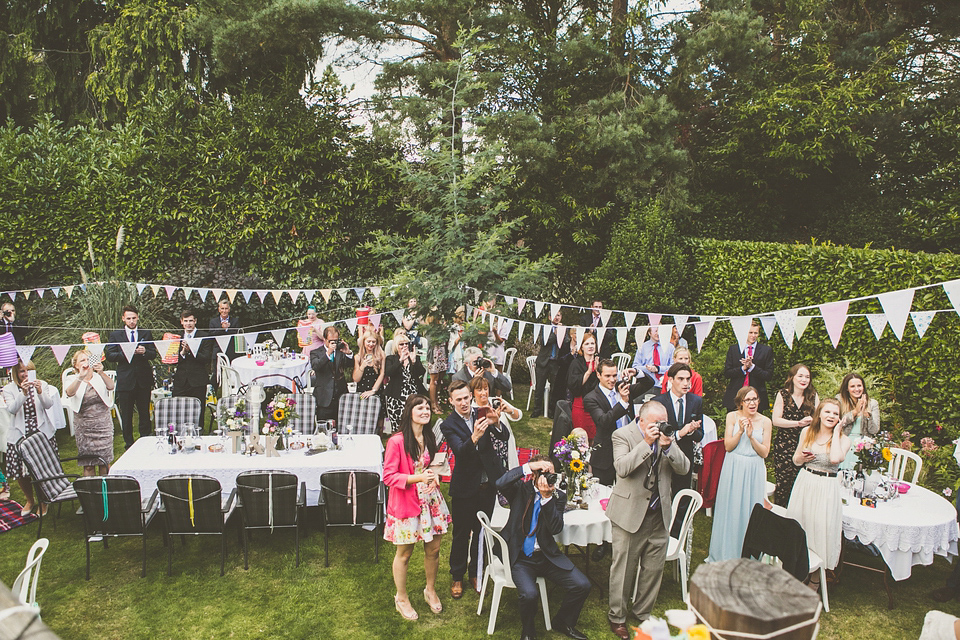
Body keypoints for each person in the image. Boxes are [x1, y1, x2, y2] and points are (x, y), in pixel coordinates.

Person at [607, 401, 689, 639]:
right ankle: (617, 617)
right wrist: (647, 443)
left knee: (653, 569)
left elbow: (683, 469)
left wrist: (668, 448)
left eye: (662, 423)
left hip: (658, 513)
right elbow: (622, 468)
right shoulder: (621, 435)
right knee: (623, 569)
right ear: (640, 421)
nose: (660, 427)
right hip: (629, 513)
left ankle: (642, 613)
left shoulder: (668, 438)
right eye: (655, 424)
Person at [497, 455, 591, 640]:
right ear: (534, 474)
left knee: (582, 585)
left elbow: (556, 528)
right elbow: (500, 483)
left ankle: (563, 621)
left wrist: (547, 499)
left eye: (551, 473)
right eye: (544, 473)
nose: (548, 478)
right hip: (521, 557)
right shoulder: (520, 490)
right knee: (529, 595)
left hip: (547, 556)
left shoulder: (558, 496)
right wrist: (528, 466)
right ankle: (528, 631)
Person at [383, 395, 451, 620]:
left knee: (433, 549)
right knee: (405, 553)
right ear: (409, 412)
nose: (425, 410)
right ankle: (401, 598)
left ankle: (430, 590)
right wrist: (419, 477)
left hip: (431, 502)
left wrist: (434, 476)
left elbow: (431, 465)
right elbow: (389, 476)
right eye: (419, 407)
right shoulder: (397, 441)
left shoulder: (429, 436)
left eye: (427, 407)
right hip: (407, 503)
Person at [439, 379, 495, 599]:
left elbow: (501, 437)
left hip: (486, 485)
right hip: (464, 487)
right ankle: (457, 576)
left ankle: (476, 572)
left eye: (466, 397)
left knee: (481, 532)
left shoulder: (481, 413)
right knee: (462, 534)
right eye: (458, 399)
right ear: (451, 401)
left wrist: (496, 423)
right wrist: (475, 436)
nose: (464, 402)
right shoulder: (448, 424)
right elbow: (461, 452)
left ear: (470, 396)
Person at [787, 398, 850, 579]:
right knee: (800, 525)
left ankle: (815, 580)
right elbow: (795, 460)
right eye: (827, 412)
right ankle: (796, 572)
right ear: (819, 414)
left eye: (835, 414)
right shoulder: (807, 432)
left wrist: (837, 432)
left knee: (820, 530)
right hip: (805, 482)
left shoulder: (844, 440)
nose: (831, 416)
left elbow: (836, 459)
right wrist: (803, 458)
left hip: (826, 488)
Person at [707, 386, 772, 563]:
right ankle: (725, 553)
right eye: (748, 400)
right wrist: (741, 431)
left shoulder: (766, 421)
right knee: (731, 508)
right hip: (734, 466)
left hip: (754, 468)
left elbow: (765, 453)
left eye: (755, 399)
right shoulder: (732, 417)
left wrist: (751, 437)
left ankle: (749, 555)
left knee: (751, 510)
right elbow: (728, 446)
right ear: (740, 403)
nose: (752, 403)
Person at [2, 361, 64, 516]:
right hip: (19, 435)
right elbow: (12, 409)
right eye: (22, 371)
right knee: (22, 473)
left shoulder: (42, 384)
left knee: (43, 470)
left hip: (41, 433)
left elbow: (48, 405)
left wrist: (41, 391)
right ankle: (30, 500)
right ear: (16, 373)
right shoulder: (9, 389)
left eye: (28, 371)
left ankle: (44, 501)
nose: (25, 374)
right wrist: (23, 393)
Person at [583, 359, 650, 486]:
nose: (612, 379)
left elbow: (648, 383)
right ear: (598, 375)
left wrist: (636, 372)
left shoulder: (623, 388)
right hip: (605, 453)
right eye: (607, 376)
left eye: (614, 375)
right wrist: (623, 402)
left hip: (628, 448)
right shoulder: (591, 398)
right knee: (602, 493)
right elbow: (603, 421)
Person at [105, 305, 159, 448]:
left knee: (144, 412)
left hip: (143, 379)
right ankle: (128, 443)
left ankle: (145, 440)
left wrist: (145, 351)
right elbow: (110, 355)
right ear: (123, 319)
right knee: (127, 414)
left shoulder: (145, 333)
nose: (131, 321)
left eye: (134, 318)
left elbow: (153, 353)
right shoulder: (116, 335)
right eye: (128, 318)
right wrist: (127, 353)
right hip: (126, 379)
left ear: (138, 317)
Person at [652, 363, 704, 496]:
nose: (686, 383)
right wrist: (680, 433)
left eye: (688, 379)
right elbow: (655, 435)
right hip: (663, 455)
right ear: (671, 380)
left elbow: (700, 435)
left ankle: (681, 517)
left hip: (685, 455)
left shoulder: (696, 401)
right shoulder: (659, 401)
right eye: (681, 379)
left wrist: (691, 430)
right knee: (661, 493)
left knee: (683, 494)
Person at [771, 364, 819, 506]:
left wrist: (814, 422)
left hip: (806, 444)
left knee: (803, 485)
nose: (804, 380)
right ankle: (780, 516)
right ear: (792, 377)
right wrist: (797, 423)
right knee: (784, 485)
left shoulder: (813, 396)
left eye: (807, 377)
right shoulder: (783, 394)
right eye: (800, 376)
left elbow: (819, 419)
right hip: (784, 445)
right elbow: (776, 420)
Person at [64, 349, 116, 476]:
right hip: (84, 427)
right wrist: (81, 377)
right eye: (82, 360)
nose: (86, 362)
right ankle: (91, 492)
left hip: (103, 425)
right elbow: (69, 393)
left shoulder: (99, 377)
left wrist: (101, 372)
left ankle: (105, 492)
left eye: (88, 359)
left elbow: (111, 386)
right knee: (88, 465)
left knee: (104, 463)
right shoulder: (72, 379)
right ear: (76, 365)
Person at [469, 375, 520, 485]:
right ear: (473, 393)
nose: (483, 393)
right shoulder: (471, 409)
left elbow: (518, 416)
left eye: (485, 389)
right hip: (487, 448)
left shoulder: (496, 402)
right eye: (479, 390)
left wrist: (509, 411)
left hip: (504, 443)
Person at [172, 309, 213, 428]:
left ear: (195, 321)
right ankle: (180, 434)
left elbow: (206, 358)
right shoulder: (177, 337)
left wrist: (192, 351)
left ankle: (198, 433)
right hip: (181, 380)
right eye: (186, 321)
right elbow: (173, 360)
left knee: (198, 409)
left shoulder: (204, 336)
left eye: (191, 321)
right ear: (181, 322)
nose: (188, 323)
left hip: (198, 380)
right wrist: (183, 352)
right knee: (179, 409)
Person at [723, 320, 775, 412]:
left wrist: (752, 367)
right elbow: (727, 373)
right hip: (735, 396)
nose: (753, 336)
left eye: (756, 333)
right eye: (750, 332)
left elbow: (768, 376)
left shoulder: (766, 350)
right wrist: (743, 368)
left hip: (757, 396)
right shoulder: (734, 349)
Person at [836, 372, 880, 469]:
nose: (856, 389)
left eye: (859, 385)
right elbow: (837, 423)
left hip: (863, 446)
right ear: (847, 388)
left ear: (863, 387)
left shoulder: (872, 403)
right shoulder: (840, 400)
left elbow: (874, 430)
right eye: (852, 386)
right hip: (844, 443)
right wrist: (855, 412)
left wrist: (867, 415)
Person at [309, 326, 353, 423]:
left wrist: (348, 353)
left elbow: (351, 365)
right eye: (330, 341)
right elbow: (316, 366)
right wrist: (328, 353)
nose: (333, 343)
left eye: (336, 341)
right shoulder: (315, 352)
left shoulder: (340, 351)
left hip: (340, 395)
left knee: (342, 427)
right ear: (324, 340)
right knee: (323, 429)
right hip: (324, 397)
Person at [383, 332, 427, 429]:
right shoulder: (391, 359)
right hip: (396, 396)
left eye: (406, 343)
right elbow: (389, 372)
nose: (404, 346)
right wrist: (400, 360)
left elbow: (421, 372)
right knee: (398, 426)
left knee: (413, 423)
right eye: (401, 344)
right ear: (396, 346)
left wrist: (414, 361)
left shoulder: (414, 357)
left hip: (413, 394)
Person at [533, 309, 571, 418]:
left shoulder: (563, 328)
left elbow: (567, 342)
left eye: (558, 315)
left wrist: (562, 332)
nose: (557, 317)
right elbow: (544, 341)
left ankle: (552, 411)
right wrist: (555, 333)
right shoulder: (545, 328)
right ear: (549, 317)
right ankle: (537, 410)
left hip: (556, 362)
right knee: (539, 386)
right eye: (554, 315)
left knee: (555, 388)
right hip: (543, 361)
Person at [567, 332, 600, 441]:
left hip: (596, 406)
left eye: (593, 343)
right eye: (587, 344)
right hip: (580, 405)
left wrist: (599, 372)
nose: (590, 346)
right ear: (582, 346)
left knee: (595, 440)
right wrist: (588, 372)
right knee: (580, 440)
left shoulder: (600, 362)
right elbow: (573, 385)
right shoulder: (576, 363)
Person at [353, 327, 386, 426]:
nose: (371, 344)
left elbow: (382, 373)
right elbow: (356, 379)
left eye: (373, 342)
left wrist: (373, 390)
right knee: (363, 421)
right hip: (363, 391)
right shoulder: (358, 357)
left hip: (377, 389)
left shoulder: (381, 355)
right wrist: (362, 366)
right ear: (363, 342)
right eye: (368, 342)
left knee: (379, 424)